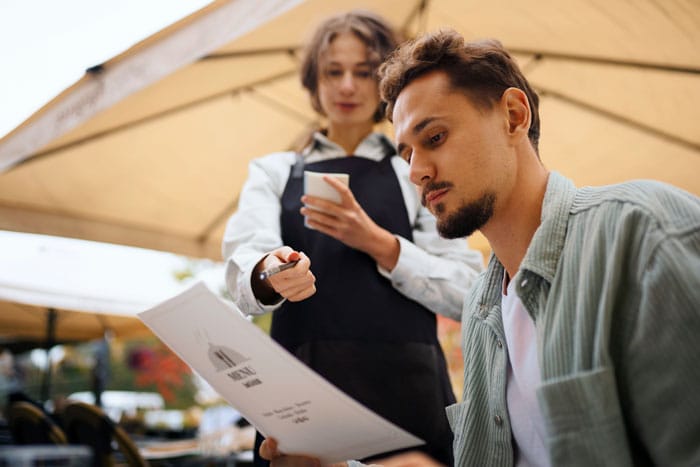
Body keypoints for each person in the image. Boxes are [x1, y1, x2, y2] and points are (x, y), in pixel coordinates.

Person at [261, 29, 700, 466]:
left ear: (512, 115)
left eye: (434, 138)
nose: (416, 172)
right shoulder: (482, 309)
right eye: (407, 154)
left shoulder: (644, 232)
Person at [222, 13, 484, 467]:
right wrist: (273, 273)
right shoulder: (274, 171)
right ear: (314, 82)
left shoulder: (416, 171)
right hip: (301, 399)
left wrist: (379, 243)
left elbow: (468, 293)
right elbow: (243, 271)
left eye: (365, 72)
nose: (347, 86)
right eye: (333, 72)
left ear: (387, 83)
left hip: (409, 396)